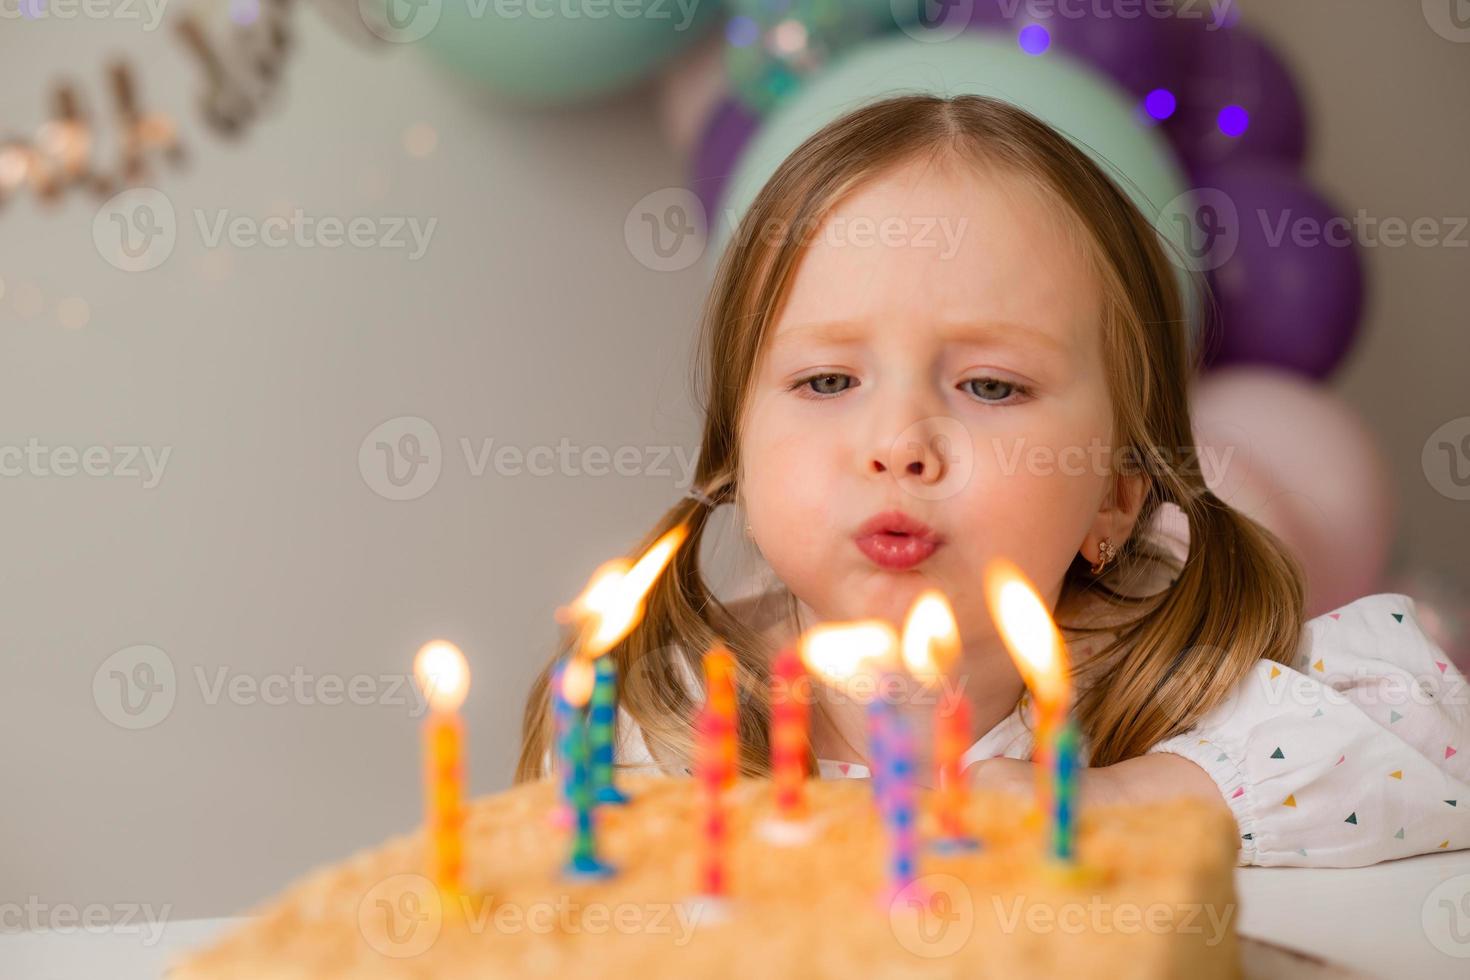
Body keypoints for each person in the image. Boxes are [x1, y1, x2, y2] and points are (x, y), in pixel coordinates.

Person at [516, 94, 1466, 867]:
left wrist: (1123, 799)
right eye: (828, 381)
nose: (897, 443)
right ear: (737, 462)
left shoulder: (1154, 684)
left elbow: (1431, 732)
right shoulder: (660, 723)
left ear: (1118, 493)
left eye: (990, 385)